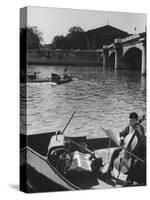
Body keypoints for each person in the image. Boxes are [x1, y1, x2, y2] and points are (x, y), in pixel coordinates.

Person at [100, 112, 146, 185]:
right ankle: (109, 170)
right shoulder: (127, 127)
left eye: (133, 120)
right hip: (128, 148)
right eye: (130, 120)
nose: (131, 122)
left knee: (134, 162)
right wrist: (121, 139)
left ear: (137, 121)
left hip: (138, 150)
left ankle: (130, 180)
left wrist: (139, 133)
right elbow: (121, 134)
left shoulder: (140, 128)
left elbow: (143, 140)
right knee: (115, 151)